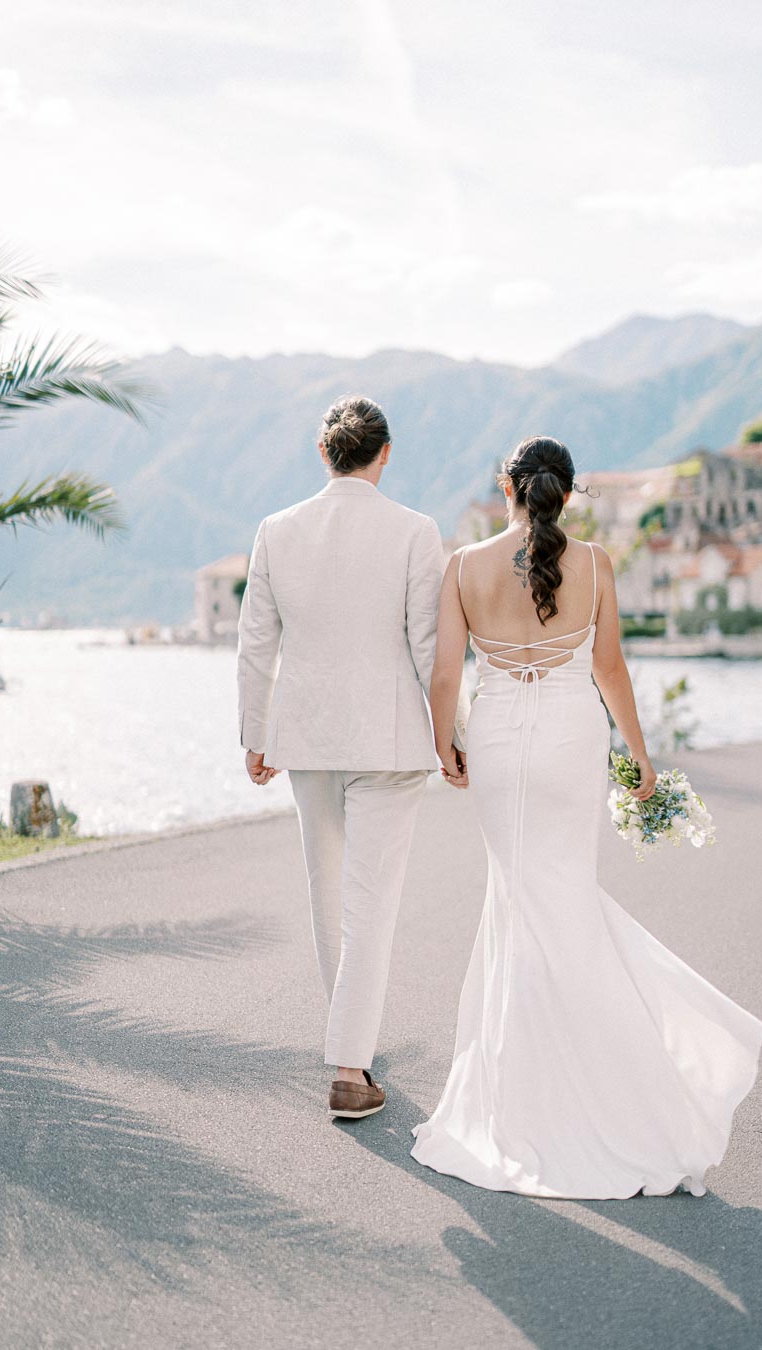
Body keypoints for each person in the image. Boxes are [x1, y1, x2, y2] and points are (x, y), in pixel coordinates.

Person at [410, 436, 762, 1198]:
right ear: (567, 494)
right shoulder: (599, 564)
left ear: (504, 486)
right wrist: (640, 756)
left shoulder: (463, 566)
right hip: (573, 741)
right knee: (562, 901)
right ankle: (615, 1090)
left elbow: (446, 672)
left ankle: (523, 1097)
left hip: (501, 745)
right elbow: (609, 668)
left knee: (517, 905)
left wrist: (443, 745)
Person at [237, 394, 471, 1121]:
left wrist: (256, 733)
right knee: (371, 901)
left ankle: (354, 1050)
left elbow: (255, 643)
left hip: (307, 738)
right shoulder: (414, 531)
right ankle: (347, 1065)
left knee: (327, 891)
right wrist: (451, 736)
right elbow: (432, 648)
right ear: (386, 453)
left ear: (323, 454)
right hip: (390, 737)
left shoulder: (276, 530)